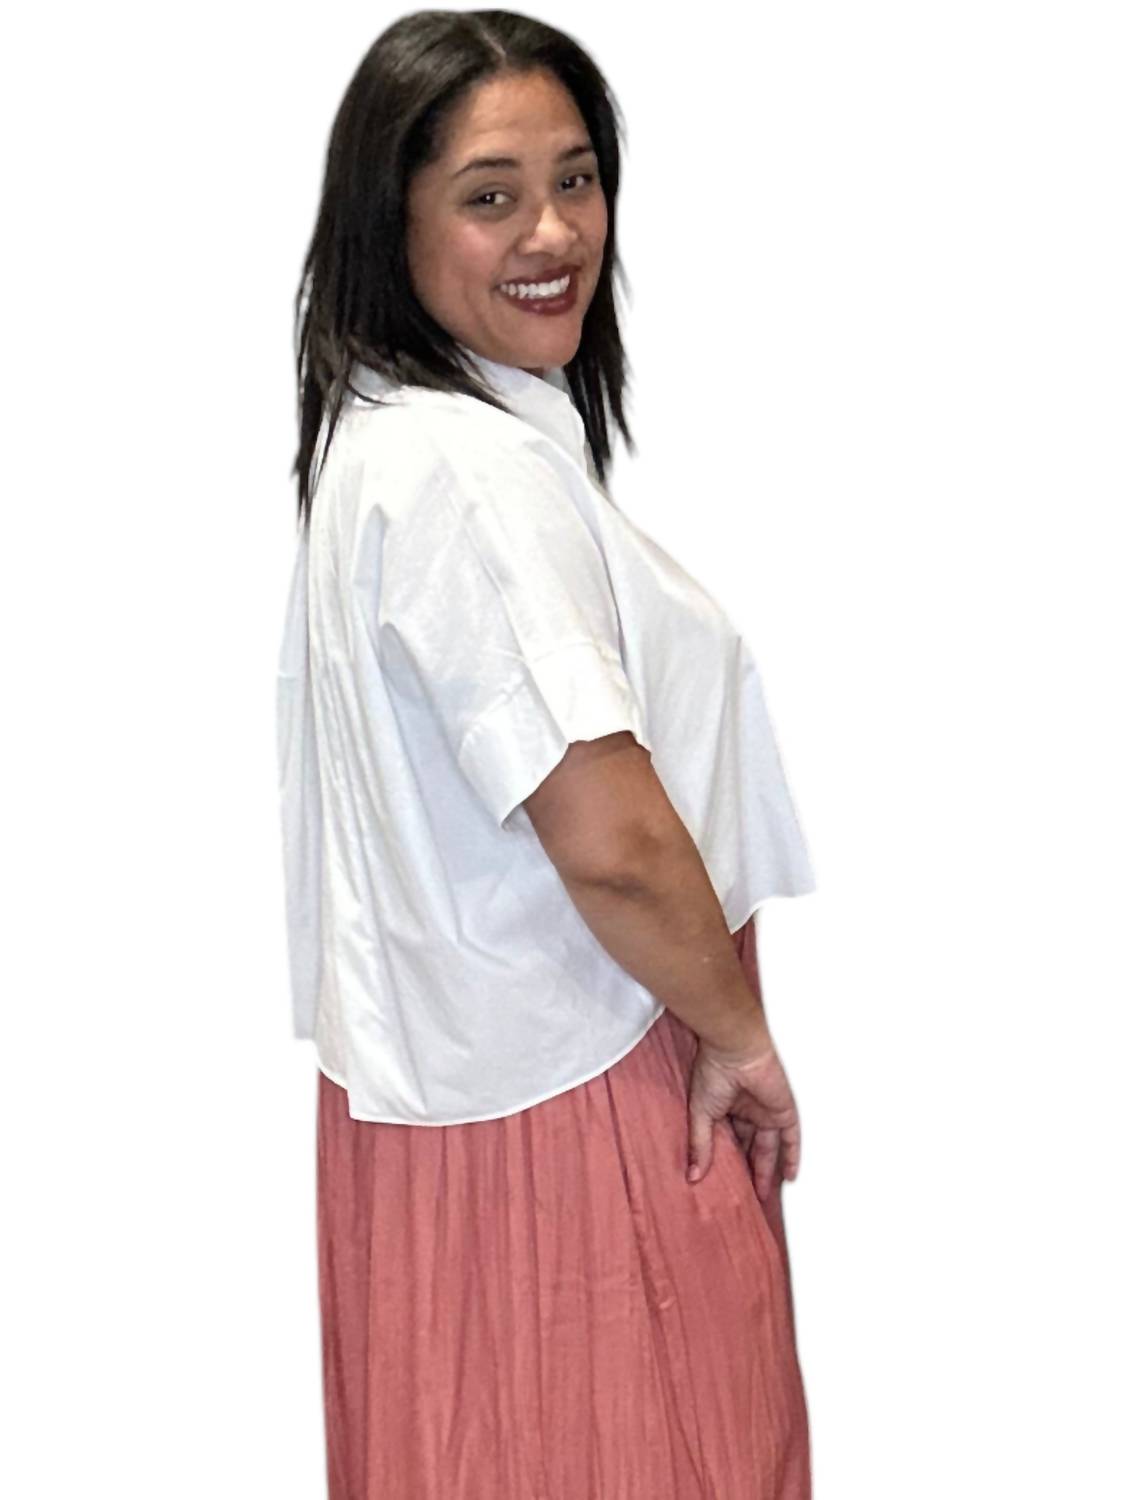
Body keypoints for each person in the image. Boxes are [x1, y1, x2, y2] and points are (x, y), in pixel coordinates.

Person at [277, 11, 818, 1498]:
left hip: (465, 1107)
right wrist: (737, 1038)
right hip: (575, 1103)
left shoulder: (390, 444)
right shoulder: (467, 474)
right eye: (490, 194)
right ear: (390, 224)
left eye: (575, 179)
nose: (554, 232)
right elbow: (610, 836)